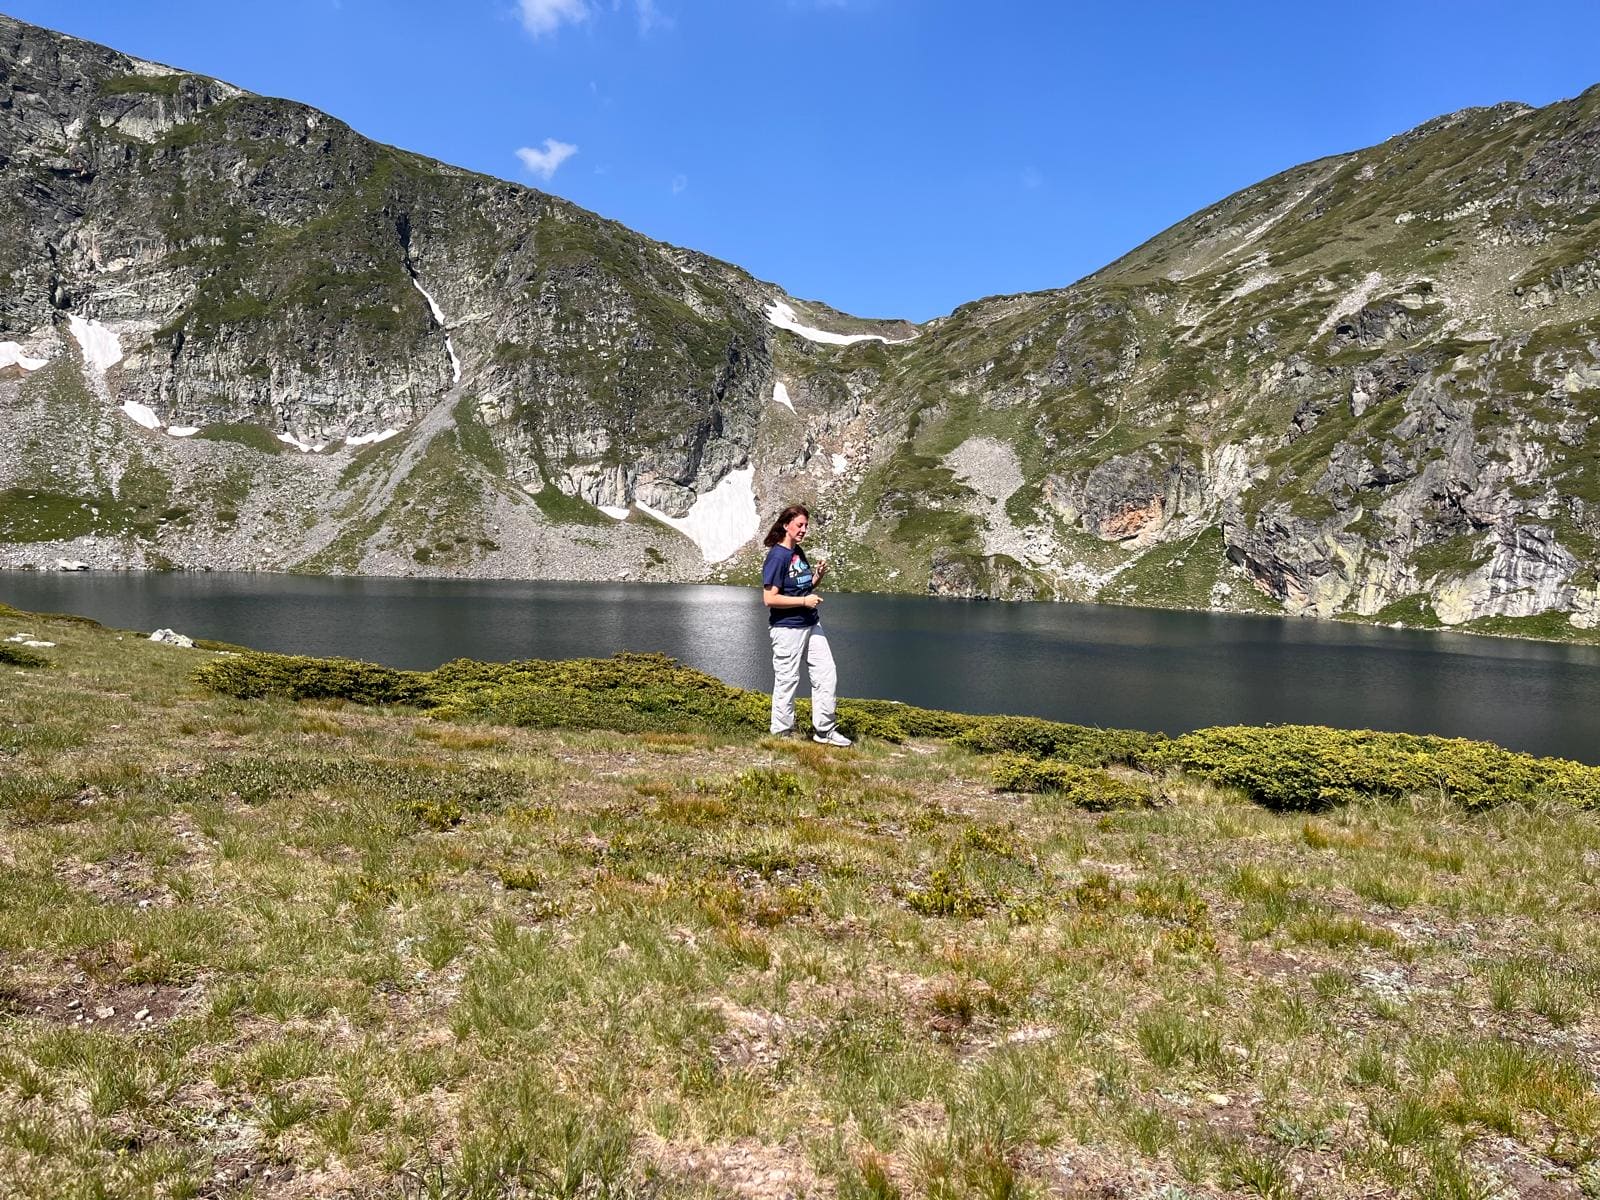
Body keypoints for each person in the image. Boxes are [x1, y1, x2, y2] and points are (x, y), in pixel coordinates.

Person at [760, 504, 851, 746]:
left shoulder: (797, 552)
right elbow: (770, 599)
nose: (804, 530)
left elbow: (803, 586)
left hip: (811, 623)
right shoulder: (777, 556)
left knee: (826, 674)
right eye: (800, 525)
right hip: (787, 628)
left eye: (806, 526)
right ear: (785, 525)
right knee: (787, 679)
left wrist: (817, 577)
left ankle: (824, 730)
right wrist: (804, 601)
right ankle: (781, 733)